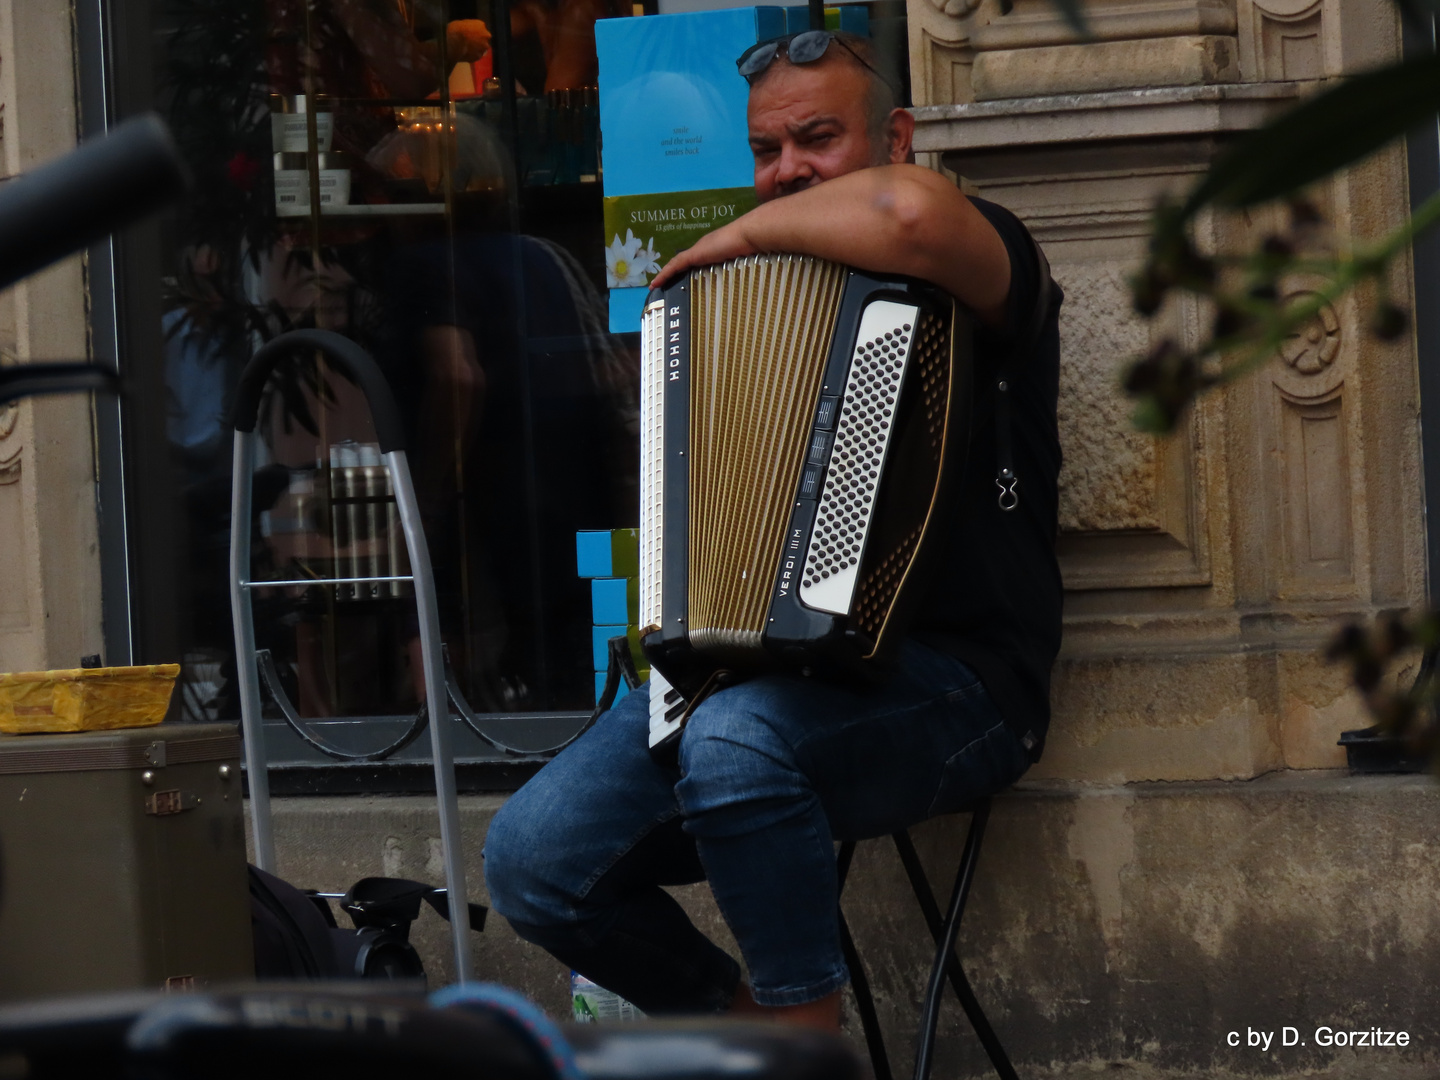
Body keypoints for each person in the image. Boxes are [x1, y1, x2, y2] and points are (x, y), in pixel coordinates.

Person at [483, 29, 1063, 1031]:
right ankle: (749, 1026)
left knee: (738, 746)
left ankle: (805, 1036)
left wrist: (735, 236)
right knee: (533, 859)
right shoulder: (740, 309)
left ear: (898, 135)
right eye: (766, 150)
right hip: (742, 683)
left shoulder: (979, 249)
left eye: (819, 138)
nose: (786, 169)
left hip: (960, 684)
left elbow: (908, 216)